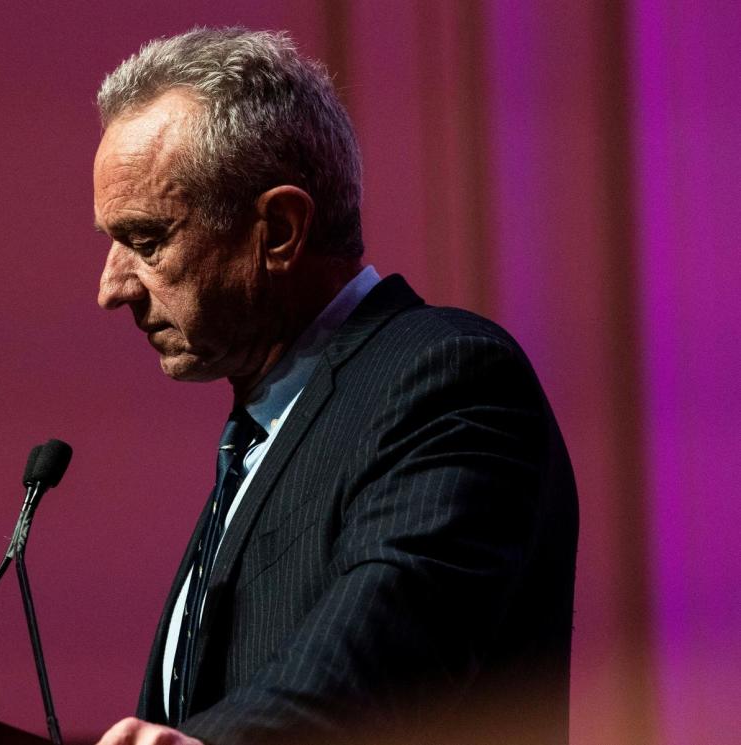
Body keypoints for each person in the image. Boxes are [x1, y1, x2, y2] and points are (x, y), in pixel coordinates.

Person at [89, 28, 578, 745]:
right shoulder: (258, 435)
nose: (112, 287)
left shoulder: (448, 379)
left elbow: (382, 656)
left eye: (147, 239)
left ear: (281, 231)